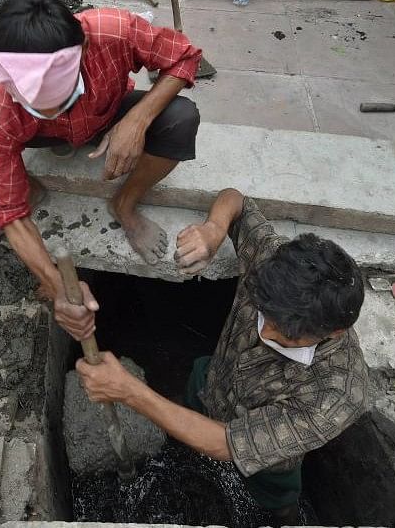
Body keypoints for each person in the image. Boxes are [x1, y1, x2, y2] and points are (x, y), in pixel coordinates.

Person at [75, 188, 368, 521]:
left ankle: (282, 517)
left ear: (333, 332)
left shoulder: (338, 393)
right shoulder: (272, 262)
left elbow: (226, 443)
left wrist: (129, 391)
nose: (264, 333)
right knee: (192, 410)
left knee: (276, 494)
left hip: (269, 458)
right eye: (263, 315)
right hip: (211, 381)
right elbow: (237, 202)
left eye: (286, 335)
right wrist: (214, 229)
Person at [0, 0, 202, 339]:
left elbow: (184, 56)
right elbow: (12, 214)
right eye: (32, 104)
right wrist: (58, 286)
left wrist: (136, 121)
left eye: (54, 102)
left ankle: (125, 203)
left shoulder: (113, 31)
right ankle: (31, 185)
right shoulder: (1, 109)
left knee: (181, 118)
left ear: (85, 49)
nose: (44, 110)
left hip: (105, 113)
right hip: (36, 136)